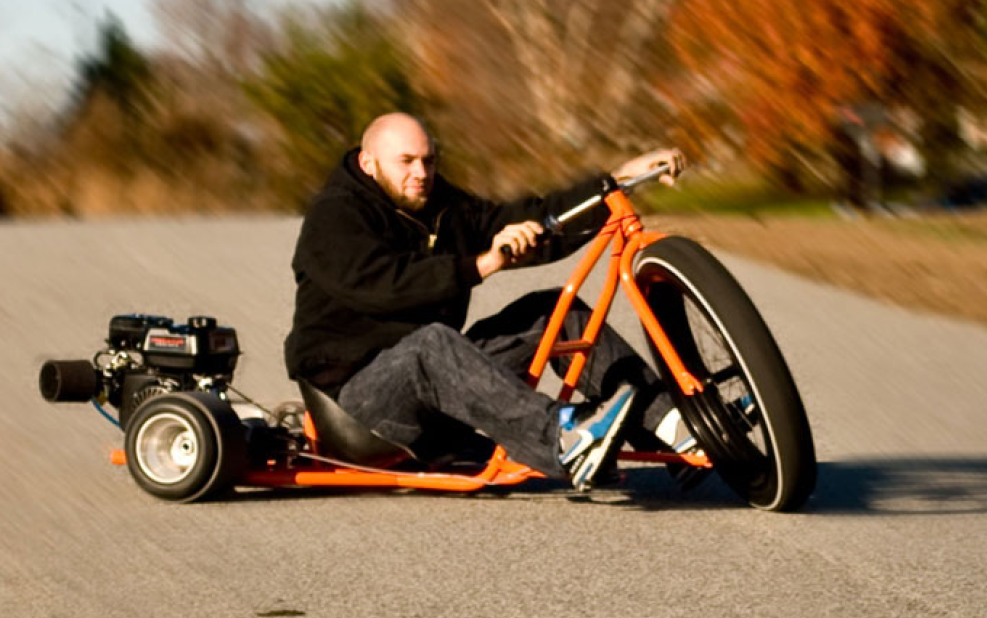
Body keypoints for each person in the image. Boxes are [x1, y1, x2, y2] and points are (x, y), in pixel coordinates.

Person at [284, 112, 689, 490]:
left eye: (429, 161)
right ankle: (564, 439)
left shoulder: (440, 205)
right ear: (368, 163)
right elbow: (382, 284)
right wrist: (480, 264)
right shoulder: (334, 215)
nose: (420, 174)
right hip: (357, 407)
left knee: (551, 311)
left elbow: (529, 219)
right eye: (406, 162)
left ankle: (675, 427)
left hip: (435, 385)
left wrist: (614, 183)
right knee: (432, 343)